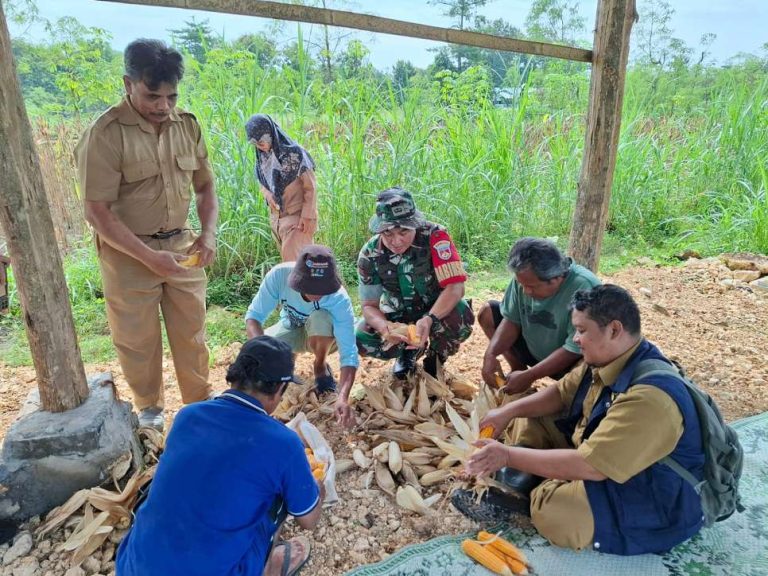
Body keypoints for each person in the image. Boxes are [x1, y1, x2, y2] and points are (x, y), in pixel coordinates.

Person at [452, 285, 706, 556]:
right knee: (526, 415)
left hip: (652, 492)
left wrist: (507, 456)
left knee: (555, 511)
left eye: (582, 330)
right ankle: (534, 477)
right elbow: (560, 393)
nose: (576, 339)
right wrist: (507, 412)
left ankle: (532, 497)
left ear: (614, 330)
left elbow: (592, 466)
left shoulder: (650, 399)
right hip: (598, 452)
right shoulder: (606, 358)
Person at [76, 39, 218, 431]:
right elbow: (96, 211)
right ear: (128, 83)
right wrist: (148, 257)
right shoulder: (105, 134)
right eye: (152, 96)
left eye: (171, 97)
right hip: (127, 252)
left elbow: (205, 187)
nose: (163, 106)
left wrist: (208, 234)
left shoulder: (187, 125)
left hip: (183, 246)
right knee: (137, 339)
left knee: (192, 332)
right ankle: (149, 410)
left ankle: (199, 404)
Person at [116, 336, 323, 576]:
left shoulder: (187, 416)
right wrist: (319, 490)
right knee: (278, 496)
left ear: (235, 376)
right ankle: (268, 567)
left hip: (133, 567)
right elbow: (308, 521)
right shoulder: (283, 443)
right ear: (278, 390)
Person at [356, 187, 474, 379]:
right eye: (388, 233)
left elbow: (456, 287)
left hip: (435, 310)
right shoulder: (370, 253)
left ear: (415, 225)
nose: (396, 241)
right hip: (397, 316)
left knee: (460, 314)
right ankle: (407, 352)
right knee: (361, 337)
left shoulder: (435, 237)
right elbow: (369, 306)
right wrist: (385, 327)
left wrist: (429, 319)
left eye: (403, 232)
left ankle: (436, 356)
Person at [245, 244, 358, 428]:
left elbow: (349, 352)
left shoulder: (339, 298)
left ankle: (320, 366)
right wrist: (264, 353)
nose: (316, 293)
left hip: (324, 335)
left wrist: (343, 397)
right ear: (297, 279)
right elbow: (253, 317)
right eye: (310, 287)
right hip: (291, 327)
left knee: (320, 317)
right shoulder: (279, 275)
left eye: (322, 289)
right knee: (262, 350)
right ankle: (286, 360)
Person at [479, 237, 600, 394]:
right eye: (521, 284)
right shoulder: (524, 279)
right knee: (487, 313)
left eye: (531, 287)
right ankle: (518, 369)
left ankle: (565, 393)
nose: (525, 291)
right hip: (534, 349)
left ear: (556, 278)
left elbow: (573, 348)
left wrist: (530, 376)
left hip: (569, 361)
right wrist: (490, 354)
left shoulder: (585, 286)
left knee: (590, 360)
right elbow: (511, 321)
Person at [245, 114, 318, 262]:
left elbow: (311, 187)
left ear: (271, 133)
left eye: (261, 141)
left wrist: (308, 216)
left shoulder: (295, 154)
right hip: (278, 222)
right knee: (295, 265)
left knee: (296, 266)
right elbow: (262, 182)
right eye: (255, 143)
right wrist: (267, 194)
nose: (259, 146)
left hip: (298, 220)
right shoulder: (262, 158)